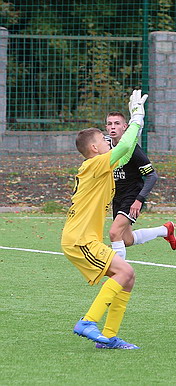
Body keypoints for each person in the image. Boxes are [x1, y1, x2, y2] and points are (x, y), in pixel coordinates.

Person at [61, 90, 147, 350]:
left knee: (128, 278)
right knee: (126, 271)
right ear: (94, 148)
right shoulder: (95, 163)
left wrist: (137, 124)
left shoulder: (101, 164)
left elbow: (126, 151)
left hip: (83, 239)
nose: (108, 139)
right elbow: (123, 147)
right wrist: (136, 118)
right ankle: (87, 321)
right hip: (80, 240)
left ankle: (109, 337)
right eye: (103, 138)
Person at [105, 112, 176, 260]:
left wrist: (139, 199)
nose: (113, 127)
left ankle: (119, 271)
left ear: (125, 127)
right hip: (117, 196)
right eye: (109, 123)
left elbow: (152, 176)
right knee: (126, 240)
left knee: (114, 233)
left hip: (132, 196)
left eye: (117, 123)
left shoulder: (132, 149)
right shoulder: (105, 146)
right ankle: (165, 230)